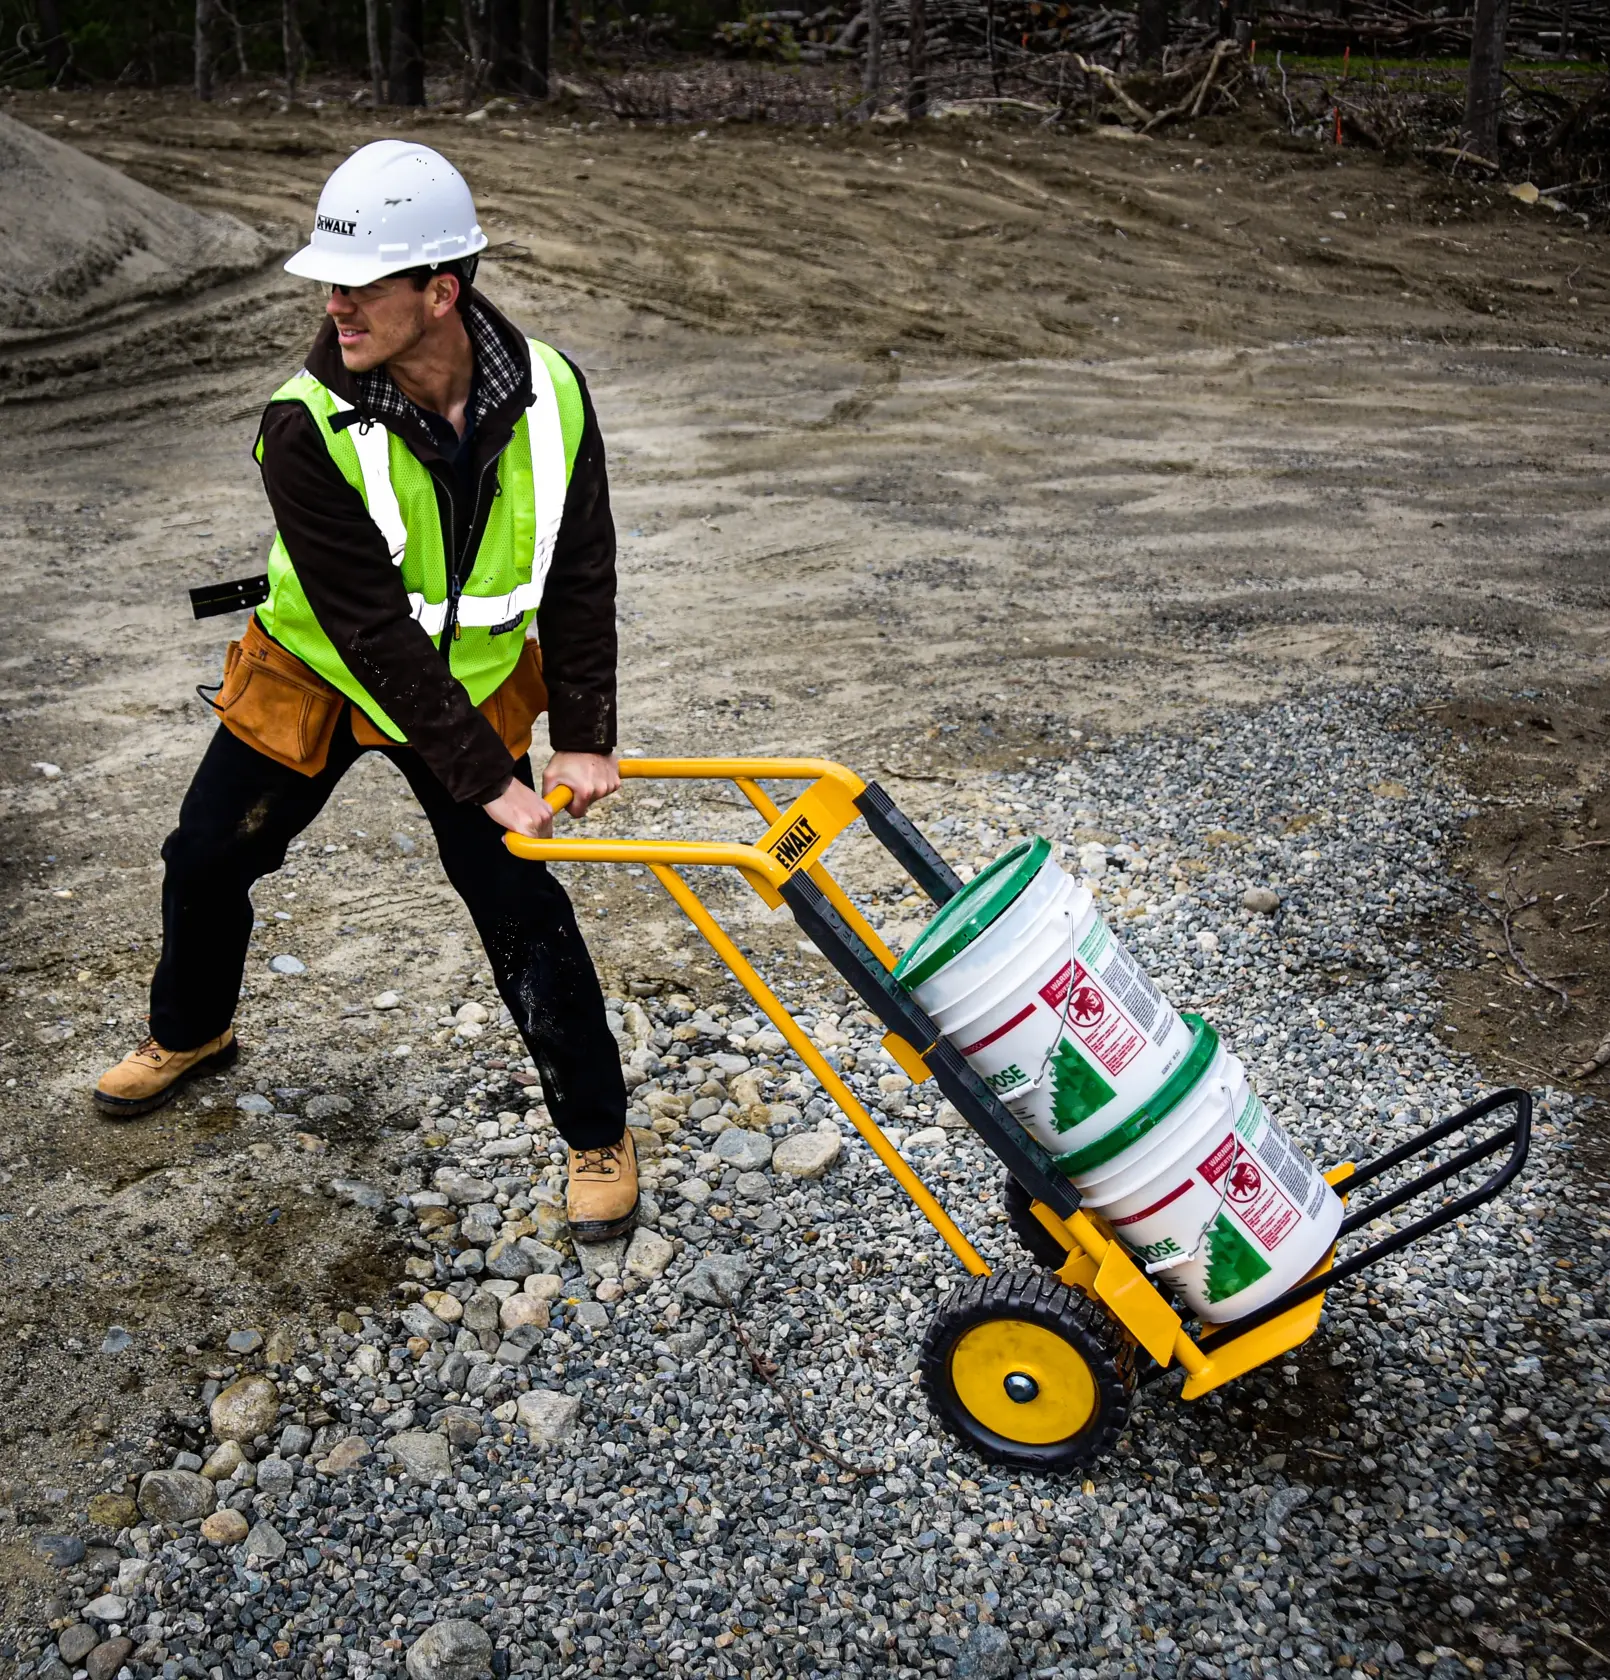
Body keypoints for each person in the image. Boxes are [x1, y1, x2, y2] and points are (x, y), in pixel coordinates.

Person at [93, 141, 638, 1242]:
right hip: (321, 675)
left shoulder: (552, 394)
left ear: (442, 291)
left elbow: (581, 566)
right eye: (328, 283)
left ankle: (596, 1132)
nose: (333, 304)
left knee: (519, 903)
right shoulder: (302, 422)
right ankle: (191, 1032)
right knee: (205, 857)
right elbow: (366, 627)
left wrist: (581, 737)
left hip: (469, 686)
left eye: (360, 283)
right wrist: (486, 777)